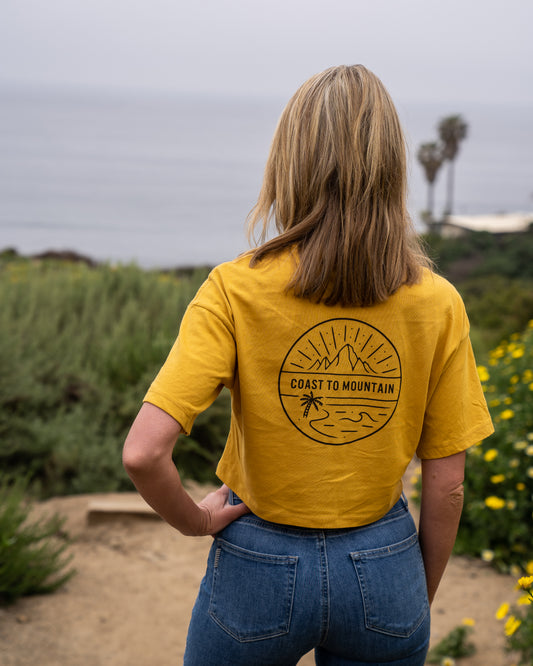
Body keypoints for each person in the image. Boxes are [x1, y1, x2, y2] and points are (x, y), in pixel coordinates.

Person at [123, 65, 494, 665]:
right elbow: (446, 484)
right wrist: (407, 598)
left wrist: (194, 521)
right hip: (385, 561)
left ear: (288, 162)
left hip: (255, 564)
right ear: (392, 167)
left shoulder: (234, 289)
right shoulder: (439, 301)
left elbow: (143, 452)